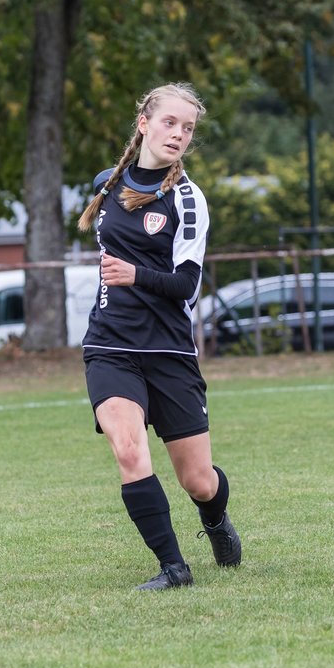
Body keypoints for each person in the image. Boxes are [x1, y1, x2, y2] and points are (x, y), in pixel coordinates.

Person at [77, 82, 241, 591]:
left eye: (188, 128)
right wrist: (121, 281)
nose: (179, 134)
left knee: (198, 480)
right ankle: (174, 567)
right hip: (110, 344)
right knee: (128, 449)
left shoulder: (187, 200)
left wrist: (134, 274)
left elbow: (187, 287)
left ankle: (214, 518)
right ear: (144, 123)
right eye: (170, 122)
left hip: (169, 350)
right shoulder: (109, 183)